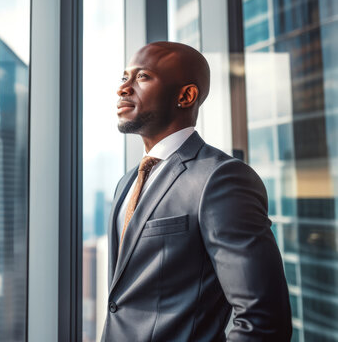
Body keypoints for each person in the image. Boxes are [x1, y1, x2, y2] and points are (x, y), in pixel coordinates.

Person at [101, 41, 292, 341]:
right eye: (124, 76)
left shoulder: (221, 178)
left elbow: (263, 318)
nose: (123, 88)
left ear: (186, 96)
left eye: (142, 77)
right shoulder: (126, 183)